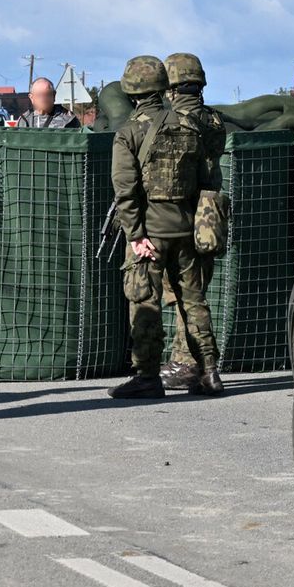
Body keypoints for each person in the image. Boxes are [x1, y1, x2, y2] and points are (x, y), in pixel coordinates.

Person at [106, 54, 222, 400]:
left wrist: (136, 235)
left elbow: (125, 190)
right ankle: (210, 372)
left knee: (145, 303)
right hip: (187, 229)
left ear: (130, 92)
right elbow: (205, 179)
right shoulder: (191, 126)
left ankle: (146, 376)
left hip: (150, 233)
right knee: (194, 301)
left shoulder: (129, 132)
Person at [158, 53, 227, 395]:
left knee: (186, 294)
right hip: (210, 212)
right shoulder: (212, 120)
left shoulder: (175, 119)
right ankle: (191, 363)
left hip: (183, 212)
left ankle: (188, 363)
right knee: (197, 288)